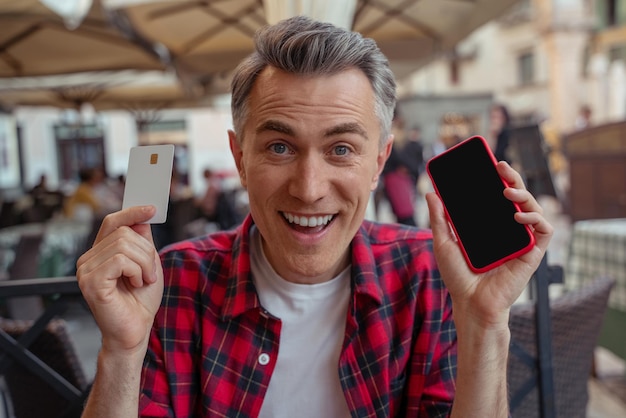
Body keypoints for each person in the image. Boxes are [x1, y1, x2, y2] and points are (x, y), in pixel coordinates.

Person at [76, 16, 553, 418]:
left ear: (379, 162)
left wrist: (486, 323)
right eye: (279, 147)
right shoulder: (172, 282)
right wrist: (121, 352)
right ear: (240, 159)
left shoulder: (430, 277)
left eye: (341, 149)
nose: (308, 189)